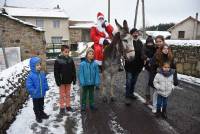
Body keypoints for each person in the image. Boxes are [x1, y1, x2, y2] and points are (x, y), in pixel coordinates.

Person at [150, 42, 178, 113]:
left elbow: (174, 68)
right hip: (158, 77)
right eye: (164, 49)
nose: (166, 50)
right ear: (161, 49)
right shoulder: (156, 56)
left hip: (168, 77)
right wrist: (152, 78)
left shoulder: (171, 57)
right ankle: (155, 107)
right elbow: (153, 67)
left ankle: (161, 107)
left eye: (167, 49)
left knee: (165, 94)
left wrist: (175, 79)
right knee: (157, 93)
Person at [54, 45, 76, 115]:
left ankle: (68, 106)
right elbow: (56, 72)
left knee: (68, 94)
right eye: (66, 52)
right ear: (62, 51)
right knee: (62, 95)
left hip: (69, 80)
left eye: (68, 52)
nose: (67, 53)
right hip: (61, 81)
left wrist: (74, 78)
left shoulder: (70, 59)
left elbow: (73, 70)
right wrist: (58, 81)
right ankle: (62, 108)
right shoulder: (58, 60)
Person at [26, 56, 49, 123]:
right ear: (33, 66)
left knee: (41, 105)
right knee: (36, 106)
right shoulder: (31, 76)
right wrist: (34, 91)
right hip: (35, 95)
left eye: (40, 64)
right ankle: (38, 116)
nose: (39, 66)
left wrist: (46, 87)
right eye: (37, 65)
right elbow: (29, 85)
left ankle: (42, 113)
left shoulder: (42, 73)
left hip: (41, 94)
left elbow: (45, 81)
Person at [124, 28, 144, 100]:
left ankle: (131, 93)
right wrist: (125, 54)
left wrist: (144, 57)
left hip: (138, 66)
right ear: (131, 34)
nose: (136, 34)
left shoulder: (140, 43)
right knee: (128, 82)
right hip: (129, 65)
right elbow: (124, 52)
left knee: (133, 82)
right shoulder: (128, 42)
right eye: (134, 33)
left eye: (137, 33)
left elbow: (142, 53)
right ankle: (127, 97)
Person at [141, 36, 156, 105]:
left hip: (154, 69)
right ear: (146, 43)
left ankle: (154, 100)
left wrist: (151, 60)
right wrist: (146, 58)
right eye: (148, 43)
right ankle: (147, 99)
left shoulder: (155, 48)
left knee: (154, 84)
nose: (150, 44)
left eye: (151, 43)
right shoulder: (144, 47)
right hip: (147, 68)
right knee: (147, 84)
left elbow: (157, 55)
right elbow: (142, 55)